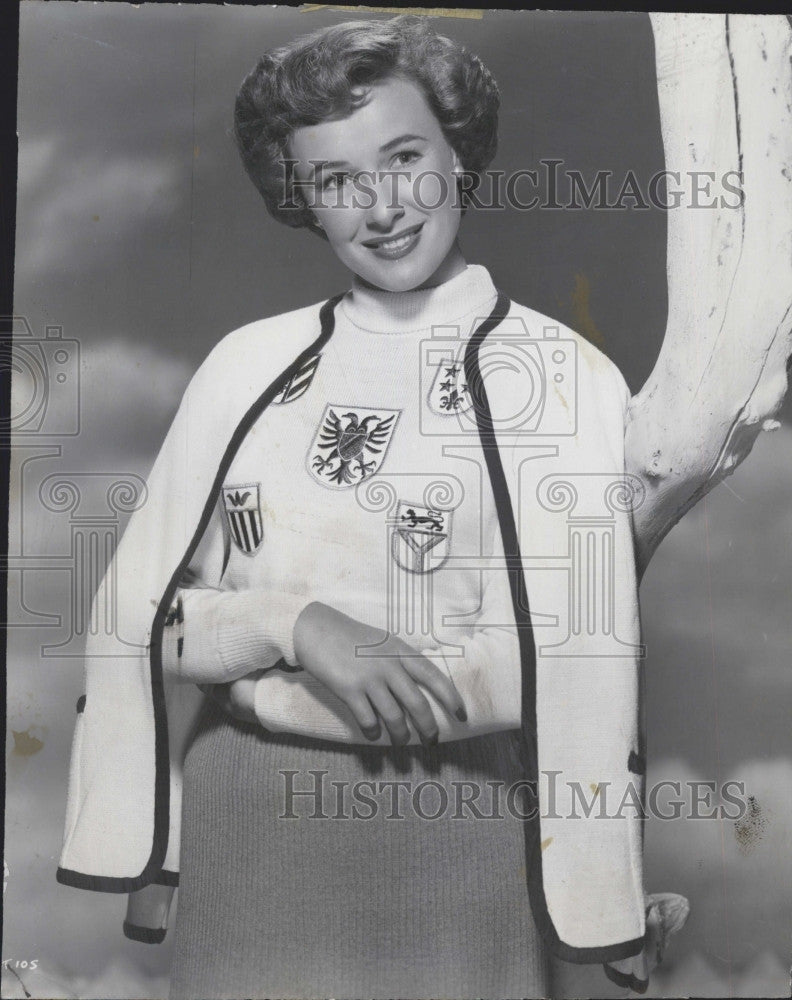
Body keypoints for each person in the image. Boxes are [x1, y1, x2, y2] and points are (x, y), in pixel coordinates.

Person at [58, 15, 653, 998]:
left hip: (462, 836)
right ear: (304, 198)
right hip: (249, 838)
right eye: (337, 179)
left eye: (404, 157)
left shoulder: (566, 377)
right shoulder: (244, 367)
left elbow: (556, 664)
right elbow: (145, 623)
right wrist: (297, 621)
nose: (380, 206)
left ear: (457, 154)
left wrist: (269, 688)